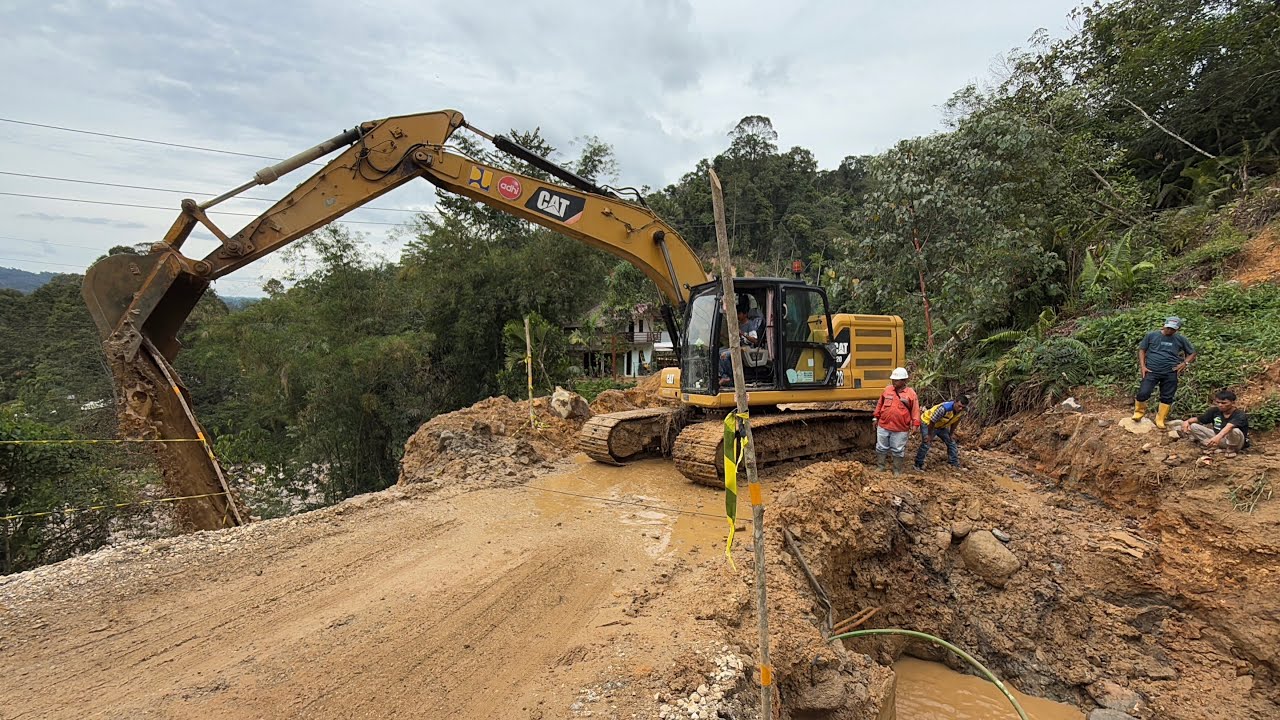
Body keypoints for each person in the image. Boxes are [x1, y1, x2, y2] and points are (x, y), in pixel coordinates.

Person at [1132, 316, 1196, 429]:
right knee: (1143, 392)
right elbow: (1142, 350)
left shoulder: (1180, 339)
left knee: (1167, 396)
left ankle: (1160, 418)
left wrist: (1184, 364)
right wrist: (1143, 366)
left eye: (1172, 329)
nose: (1169, 331)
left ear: (1177, 329)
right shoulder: (1152, 335)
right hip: (1151, 370)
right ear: (1164, 325)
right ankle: (1139, 412)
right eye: (1168, 328)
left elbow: (1192, 353)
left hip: (1170, 372)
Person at [873, 367, 920, 476]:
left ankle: (897, 470)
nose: (893, 382)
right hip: (884, 425)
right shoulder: (887, 390)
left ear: (904, 381)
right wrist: (875, 417)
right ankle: (880, 466)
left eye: (896, 380)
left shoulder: (911, 394)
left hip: (900, 428)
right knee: (880, 447)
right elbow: (880, 404)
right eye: (893, 380)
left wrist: (915, 424)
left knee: (898, 449)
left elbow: (915, 410)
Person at [1181, 389, 1250, 452]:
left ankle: (1231, 449)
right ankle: (1209, 444)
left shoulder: (1240, 414)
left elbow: (1229, 427)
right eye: (1218, 402)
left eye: (1224, 403)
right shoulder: (1214, 411)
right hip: (1219, 439)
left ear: (1233, 403)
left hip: (1236, 443)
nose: (1220, 405)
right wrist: (1187, 421)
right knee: (1194, 426)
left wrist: (1217, 437)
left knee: (1234, 430)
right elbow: (1199, 419)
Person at [915, 394, 968, 470]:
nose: (960, 408)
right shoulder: (944, 409)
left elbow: (956, 421)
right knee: (927, 442)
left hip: (941, 425)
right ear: (955, 402)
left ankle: (953, 463)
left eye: (963, 407)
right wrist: (929, 435)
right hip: (928, 423)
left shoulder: (963, 411)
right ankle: (918, 464)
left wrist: (951, 433)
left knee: (951, 442)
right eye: (959, 406)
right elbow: (932, 421)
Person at [718, 299, 763, 386]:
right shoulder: (738, 324)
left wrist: (743, 334)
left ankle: (730, 378)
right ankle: (723, 375)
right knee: (718, 352)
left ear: (745, 314)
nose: (737, 316)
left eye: (739, 314)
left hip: (746, 348)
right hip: (738, 346)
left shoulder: (750, 324)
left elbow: (755, 340)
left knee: (724, 355)